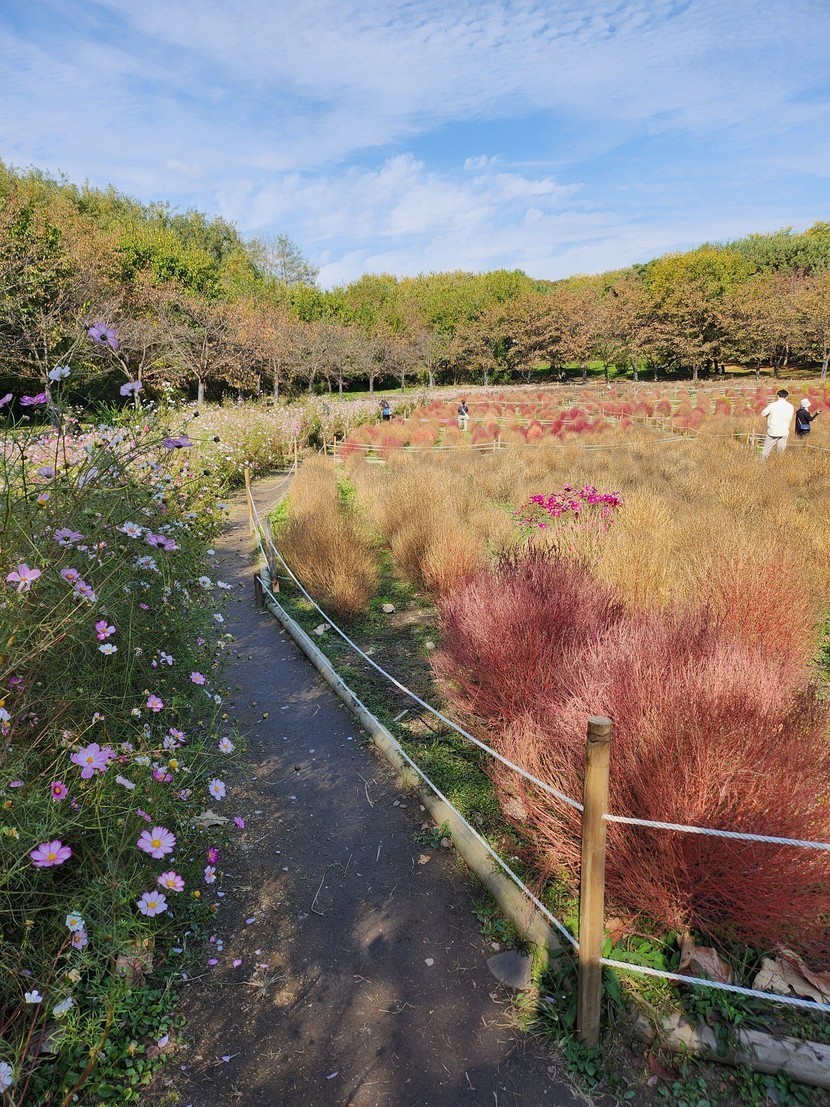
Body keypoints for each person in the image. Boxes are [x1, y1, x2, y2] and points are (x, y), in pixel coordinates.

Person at [760, 389, 795, 457]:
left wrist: (768, 416)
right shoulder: (790, 406)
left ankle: (762, 463)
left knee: (765, 451)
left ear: (777, 396)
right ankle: (779, 463)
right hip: (784, 431)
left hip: (773, 431)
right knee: (780, 453)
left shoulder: (772, 405)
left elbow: (763, 413)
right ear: (787, 397)